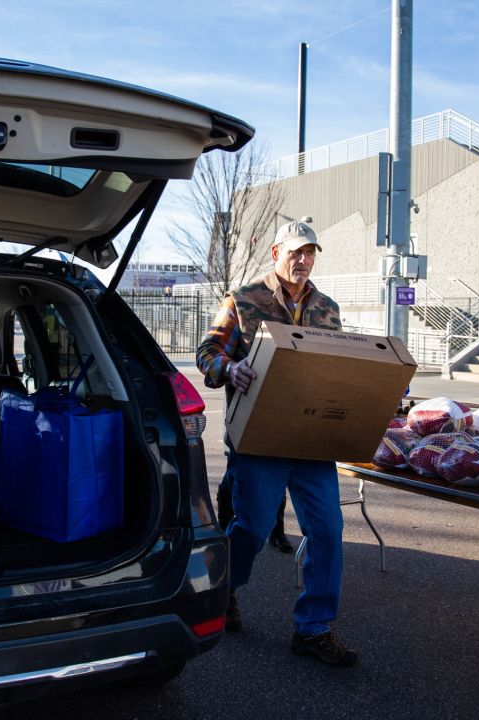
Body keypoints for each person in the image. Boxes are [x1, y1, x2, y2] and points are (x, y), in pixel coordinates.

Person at [195, 219, 357, 667]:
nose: (303, 261)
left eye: (310, 253)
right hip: (260, 441)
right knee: (250, 527)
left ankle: (314, 628)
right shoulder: (244, 300)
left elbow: (337, 367)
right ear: (275, 253)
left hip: (310, 443)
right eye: (296, 252)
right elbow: (207, 351)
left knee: (327, 533)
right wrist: (231, 369)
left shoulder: (327, 308)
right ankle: (222, 592)